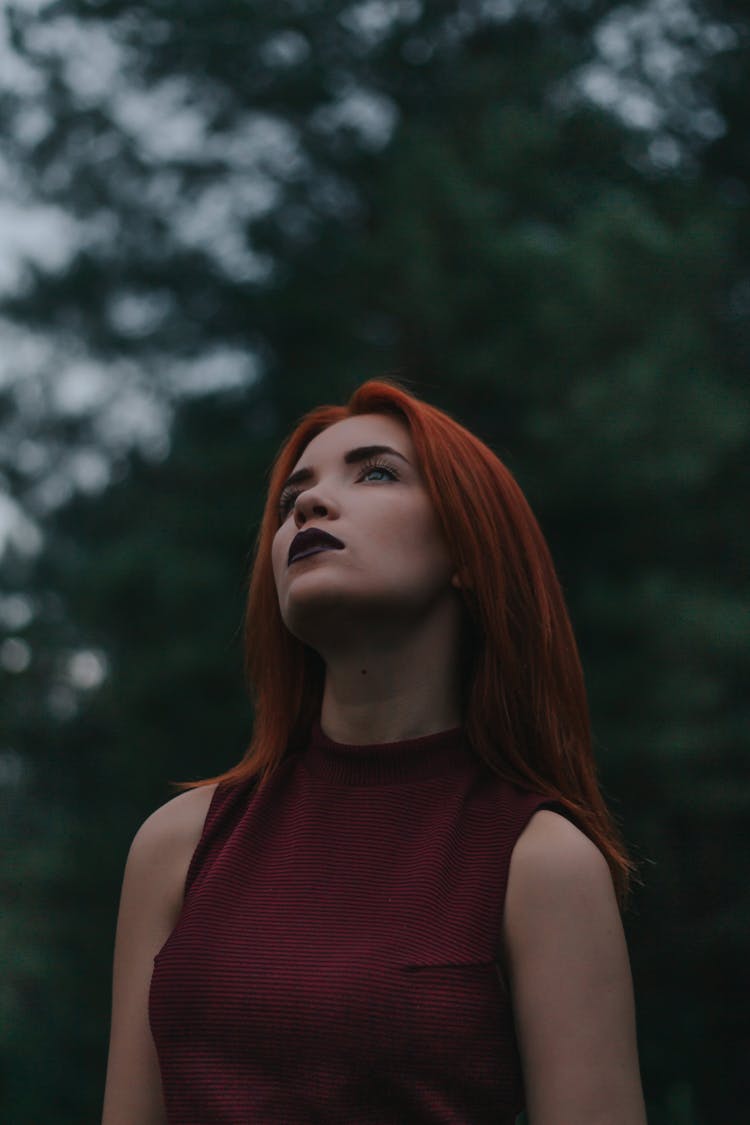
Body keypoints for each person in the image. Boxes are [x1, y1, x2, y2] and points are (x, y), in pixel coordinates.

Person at [101, 378, 648, 1124]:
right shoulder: (179, 844)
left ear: (469, 551)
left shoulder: (540, 860)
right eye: (295, 492)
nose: (308, 505)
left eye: (376, 472)